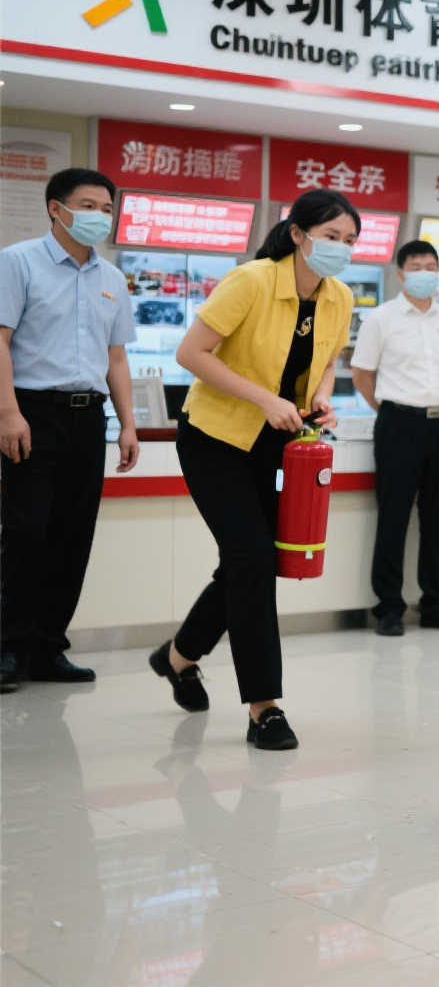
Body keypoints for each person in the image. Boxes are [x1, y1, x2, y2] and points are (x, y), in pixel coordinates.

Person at [147, 189, 358, 750]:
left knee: (250, 560)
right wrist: (265, 399)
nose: (340, 249)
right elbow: (192, 354)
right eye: (331, 236)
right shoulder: (253, 280)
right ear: (297, 233)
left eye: (349, 241)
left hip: (276, 443)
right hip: (215, 438)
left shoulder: (339, 297)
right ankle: (264, 707)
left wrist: (318, 396)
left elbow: (327, 361)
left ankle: (178, 657)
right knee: (252, 559)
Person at [0, 168, 139, 691]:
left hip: (88, 417)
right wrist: (8, 412)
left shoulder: (111, 279)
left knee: (72, 535)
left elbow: (117, 359)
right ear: (55, 208)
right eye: (87, 205)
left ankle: (48, 648)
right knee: (25, 531)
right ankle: (8, 646)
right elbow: (1, 340)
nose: (98, 216)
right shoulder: (17, 262)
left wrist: (127, 425)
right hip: (32, 411)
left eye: (106, 208)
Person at [352, 239, 439, 637]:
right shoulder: (381, 319)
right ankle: (388, 607)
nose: (425, 274)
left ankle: (437, 604)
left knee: (438, 519)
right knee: (394, 517)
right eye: (416, 267)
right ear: (400, 273)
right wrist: (390, 410)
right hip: (398, 424)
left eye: (431, 267)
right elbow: (362, 375)